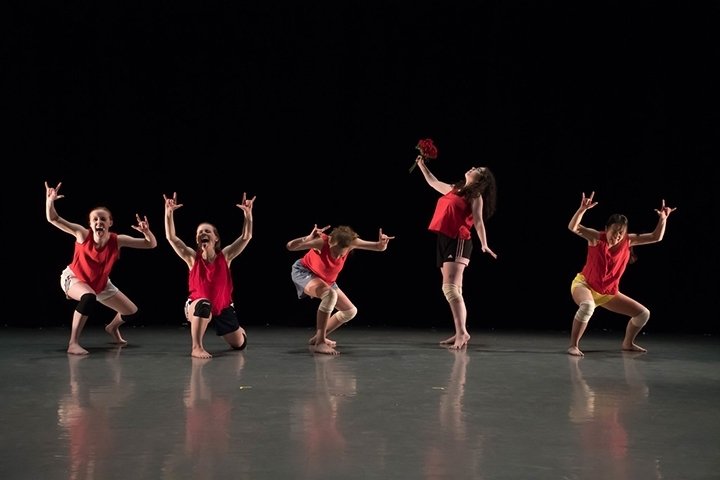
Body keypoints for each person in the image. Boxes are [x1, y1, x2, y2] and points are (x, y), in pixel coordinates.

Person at [45, 181, 158, 355]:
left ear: (110, 223)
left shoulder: (117, 240)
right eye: (95, 219)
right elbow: (53, 219)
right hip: (75, 278)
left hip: (101, 283)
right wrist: (50, 201)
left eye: (103, 219)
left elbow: (150, 245)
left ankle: (112, 327)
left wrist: (146, 232)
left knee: (131, 312)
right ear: (90, 224)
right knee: (88, 297)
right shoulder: (82, 234)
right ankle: (73, 343)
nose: (99, 222)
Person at [566, 191, 676, 356]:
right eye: (614, 231)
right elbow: (573, 227)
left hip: (608, 292)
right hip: (585, 285)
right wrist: (582, 209)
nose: (616, 236)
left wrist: (663, 219)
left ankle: (628, 343)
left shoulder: (628, 241)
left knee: (643, 314)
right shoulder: (596, 237)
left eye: (620, 233)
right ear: (606, 229)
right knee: (588, 306)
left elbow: (656, 237)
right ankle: (573, 345)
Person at [414, 155, 497, 349]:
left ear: (481, 179)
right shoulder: (455, 189)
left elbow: (478, 221)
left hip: (459, 240)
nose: (473, 166)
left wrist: (484, 244)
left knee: (450, 289)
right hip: (444, 239)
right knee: (453, 289)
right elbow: (433, 183)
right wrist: (421, 165)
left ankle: (462, 333)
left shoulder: (475, 196)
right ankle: (460, 331)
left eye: (479, 169)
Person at [163, 192, 254, 358]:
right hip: (197, 306)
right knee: (204, 304)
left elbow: (246, 237)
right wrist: (168, 213)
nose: (202, 233)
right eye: (199, 232)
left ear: (216, 237)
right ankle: (196, 347)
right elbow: (172, 238)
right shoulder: (192, 258)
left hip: (224, 308)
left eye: (207, 231)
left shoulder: (225, 257)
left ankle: (240, 332)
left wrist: (248, 215)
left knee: (240, 345)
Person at [287, 224, 395, 355]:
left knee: (350, 311)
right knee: (330, 295)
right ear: (331, 242)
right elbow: (290, 246)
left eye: (341, 254)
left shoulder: (351, 242)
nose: (338, 257)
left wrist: (383, 244)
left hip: (326, 280)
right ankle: (320, 343)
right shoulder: (322, 241)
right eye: (335, 252)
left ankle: (318, 337)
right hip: (305, 272)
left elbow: (378, 247)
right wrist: (307, 238)